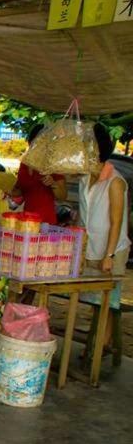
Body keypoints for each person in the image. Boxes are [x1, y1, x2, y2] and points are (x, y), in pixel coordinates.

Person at [80, 123, 130, 349]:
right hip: (91, 247)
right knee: (95, 301)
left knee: (107, 304)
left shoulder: (115, 181)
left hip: (111, 250)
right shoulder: (85, 179)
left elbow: (117, 222)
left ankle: (99, 350)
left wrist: (109, 255)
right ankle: (96, 345)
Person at [12, 124, 67, 225]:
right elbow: (18, 190)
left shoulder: (52, 164)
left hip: (46, 222)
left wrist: (53, 183)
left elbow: (63, 196)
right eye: (33, 144)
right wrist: (12, 189)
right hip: (26, 220)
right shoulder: (24, 163)